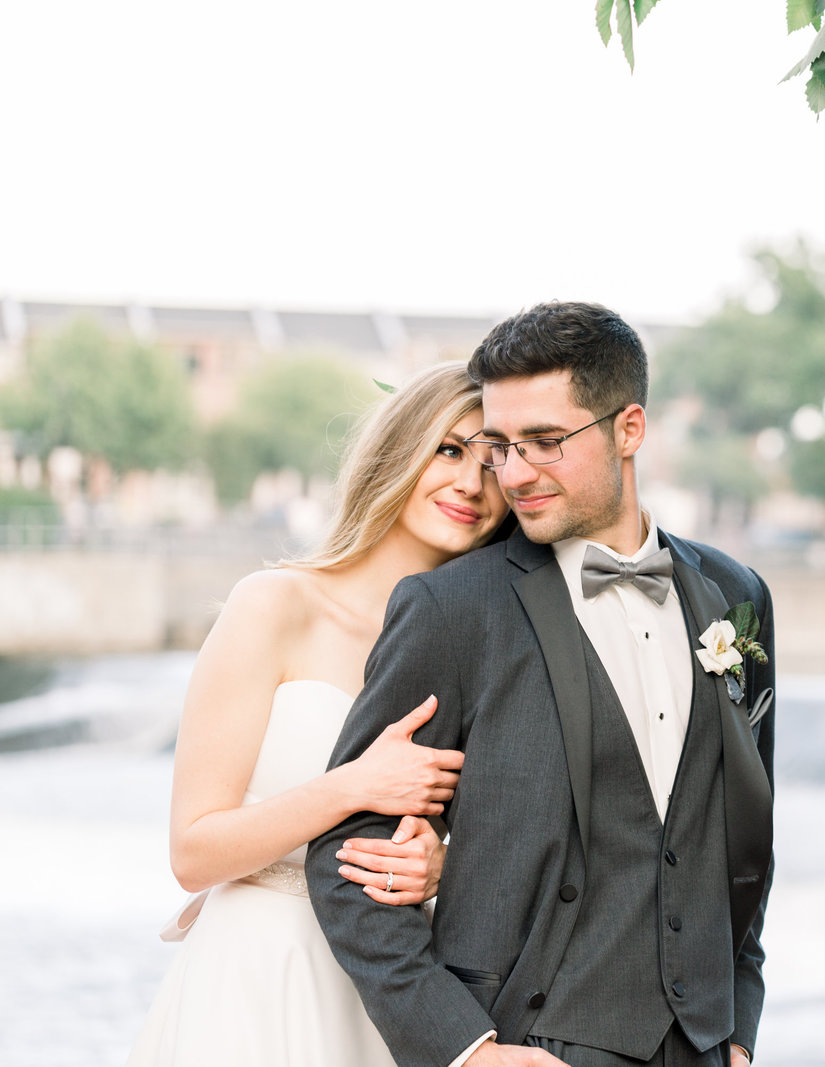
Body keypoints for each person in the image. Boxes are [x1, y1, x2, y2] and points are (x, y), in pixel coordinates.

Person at [307, 301, 776, 1067]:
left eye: (546, 442)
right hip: (525, 1043)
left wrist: (740, 1025)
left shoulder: (737, 596)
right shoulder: (453, 610)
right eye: (502, 445)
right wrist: (463, 1047)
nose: (515, 472)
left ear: (629, 429)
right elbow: (345, 856)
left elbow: (746, 835)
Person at [127, 362, 510, 1067]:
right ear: (401, 449)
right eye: (450, 449)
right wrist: (354, 786)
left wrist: (440, 867)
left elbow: (513, 828)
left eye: (494, 464)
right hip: (256, 977)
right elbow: (193, 850)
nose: (469, 484)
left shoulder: (482, 644)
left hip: (391, 994)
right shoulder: (274, 605)